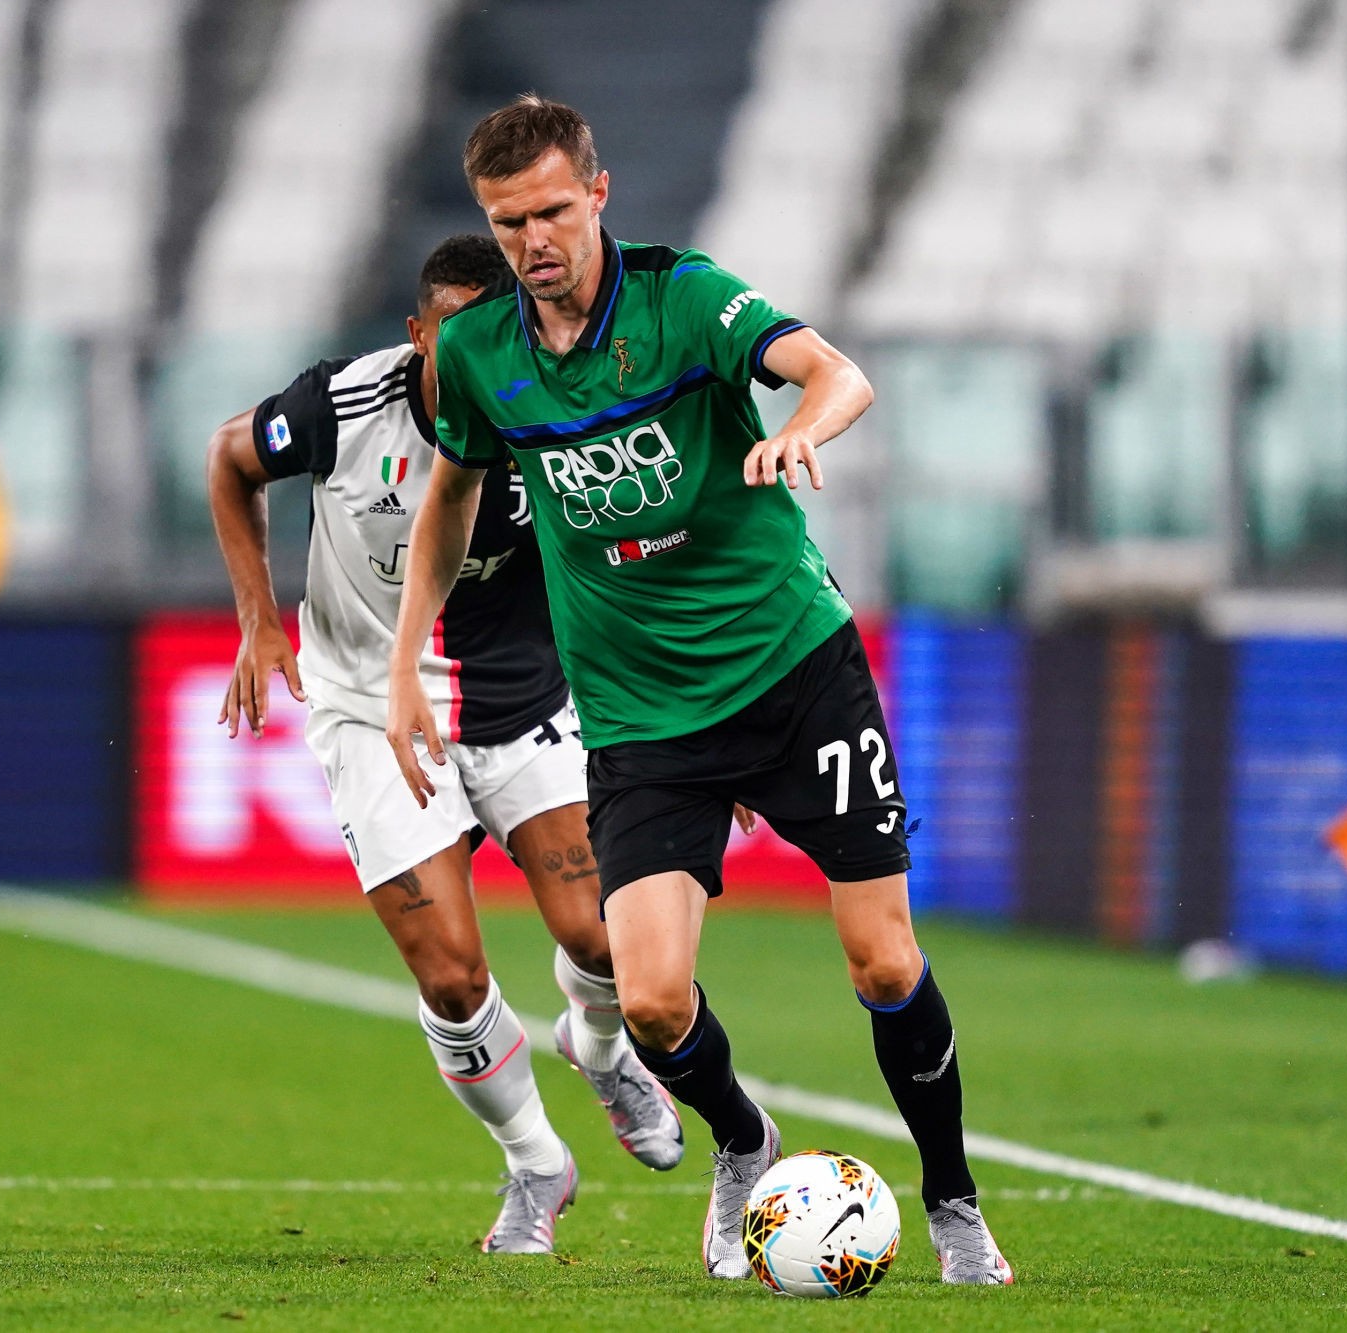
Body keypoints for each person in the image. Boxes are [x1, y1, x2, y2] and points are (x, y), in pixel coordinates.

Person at [384, 96, 1013, 1286]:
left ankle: (954, 1203)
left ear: (599, 194)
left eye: (554, 212)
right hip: (637, 718)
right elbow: (451, 499)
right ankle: (743, 1143)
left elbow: (835, 374)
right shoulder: (475, 354)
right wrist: (405, 666)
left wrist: (796, 431)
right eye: (509, 222)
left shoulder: (684, 300)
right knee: (655, 1003)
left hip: (792, 672)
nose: (534, 242)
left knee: (882, 961)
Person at [207, 233, 684, 1255]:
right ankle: (534, 1164)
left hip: (519, 695)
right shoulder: (340, 405)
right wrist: (257, 616)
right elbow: (229, 457)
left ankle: (599, 1051)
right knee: (453, 975)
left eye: (496, 329)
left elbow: (637, 558)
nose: (479, 355)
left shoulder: (553, 404)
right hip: (372, 701)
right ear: (416, 335)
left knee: (605, 937)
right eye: (454, 336)